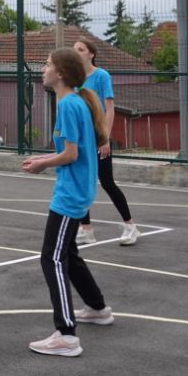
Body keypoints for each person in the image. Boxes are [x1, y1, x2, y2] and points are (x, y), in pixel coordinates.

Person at [21, 48, 114, 358]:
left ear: (60, 73)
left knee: (52, 258)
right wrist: (44, 158)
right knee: (69, 254)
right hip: (76, 189)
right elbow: (72, 152)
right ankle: (98, 307)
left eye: (47, 65)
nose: (43, 69)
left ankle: (66, 334)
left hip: (71, 194)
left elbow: (72, 154)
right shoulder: (75, 101)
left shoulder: (69, 105)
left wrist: (43, 165)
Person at [72, 40, 140, 246]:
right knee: (82, 182)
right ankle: (86, 229)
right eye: (74, 50)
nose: (76, 53)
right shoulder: (75, 78)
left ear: (91, 54)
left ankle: (131, 226)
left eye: (81, 50)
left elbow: (109, 108)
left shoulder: (102, 76)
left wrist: (104, 137)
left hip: (98, 136)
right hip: (81, 137)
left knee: (107, 182)